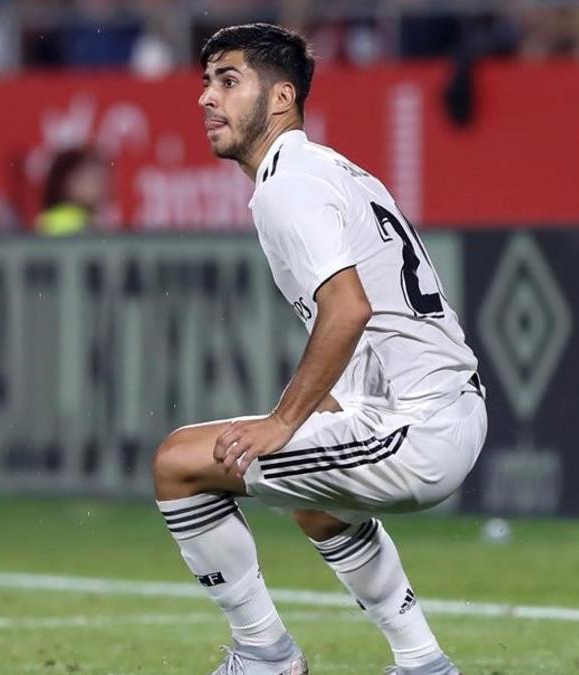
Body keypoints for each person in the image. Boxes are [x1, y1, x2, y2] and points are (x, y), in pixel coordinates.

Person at [152, 24, 485, 675]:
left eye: (228, 80)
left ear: (280, 98)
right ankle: (421, 661)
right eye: (205, 83)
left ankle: (265, 654)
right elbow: (377, 316)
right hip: (426, 409)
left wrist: (281, 422)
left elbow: (349, 309)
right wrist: (306, 418)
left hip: (422, 425)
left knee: (178, 464)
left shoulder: (289, 183)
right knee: (308, 489)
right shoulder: (323, 167)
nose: (206, 100)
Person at [35, 146, 107, 236]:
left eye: (100, 178)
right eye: (91, 178)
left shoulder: (91, 220)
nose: (100, 185)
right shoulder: (60, 221)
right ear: (65, 182)